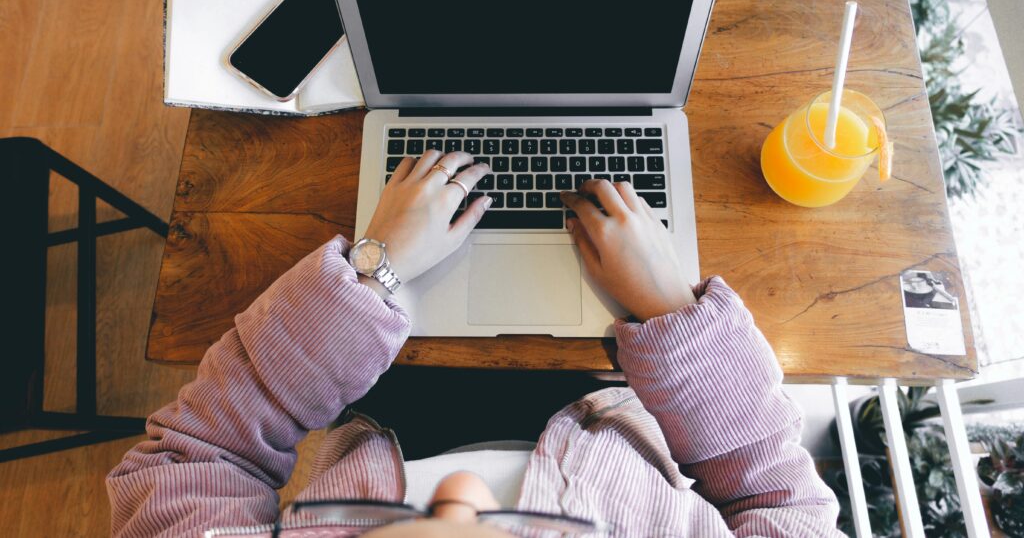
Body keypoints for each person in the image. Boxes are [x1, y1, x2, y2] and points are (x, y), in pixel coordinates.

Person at [107, 150, 843, 537]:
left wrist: (374, 269)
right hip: (631, 397)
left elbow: (199, 456)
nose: (460, 492)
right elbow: (774, 494)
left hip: (383, 397)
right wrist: (671, 316)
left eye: (415, 519)